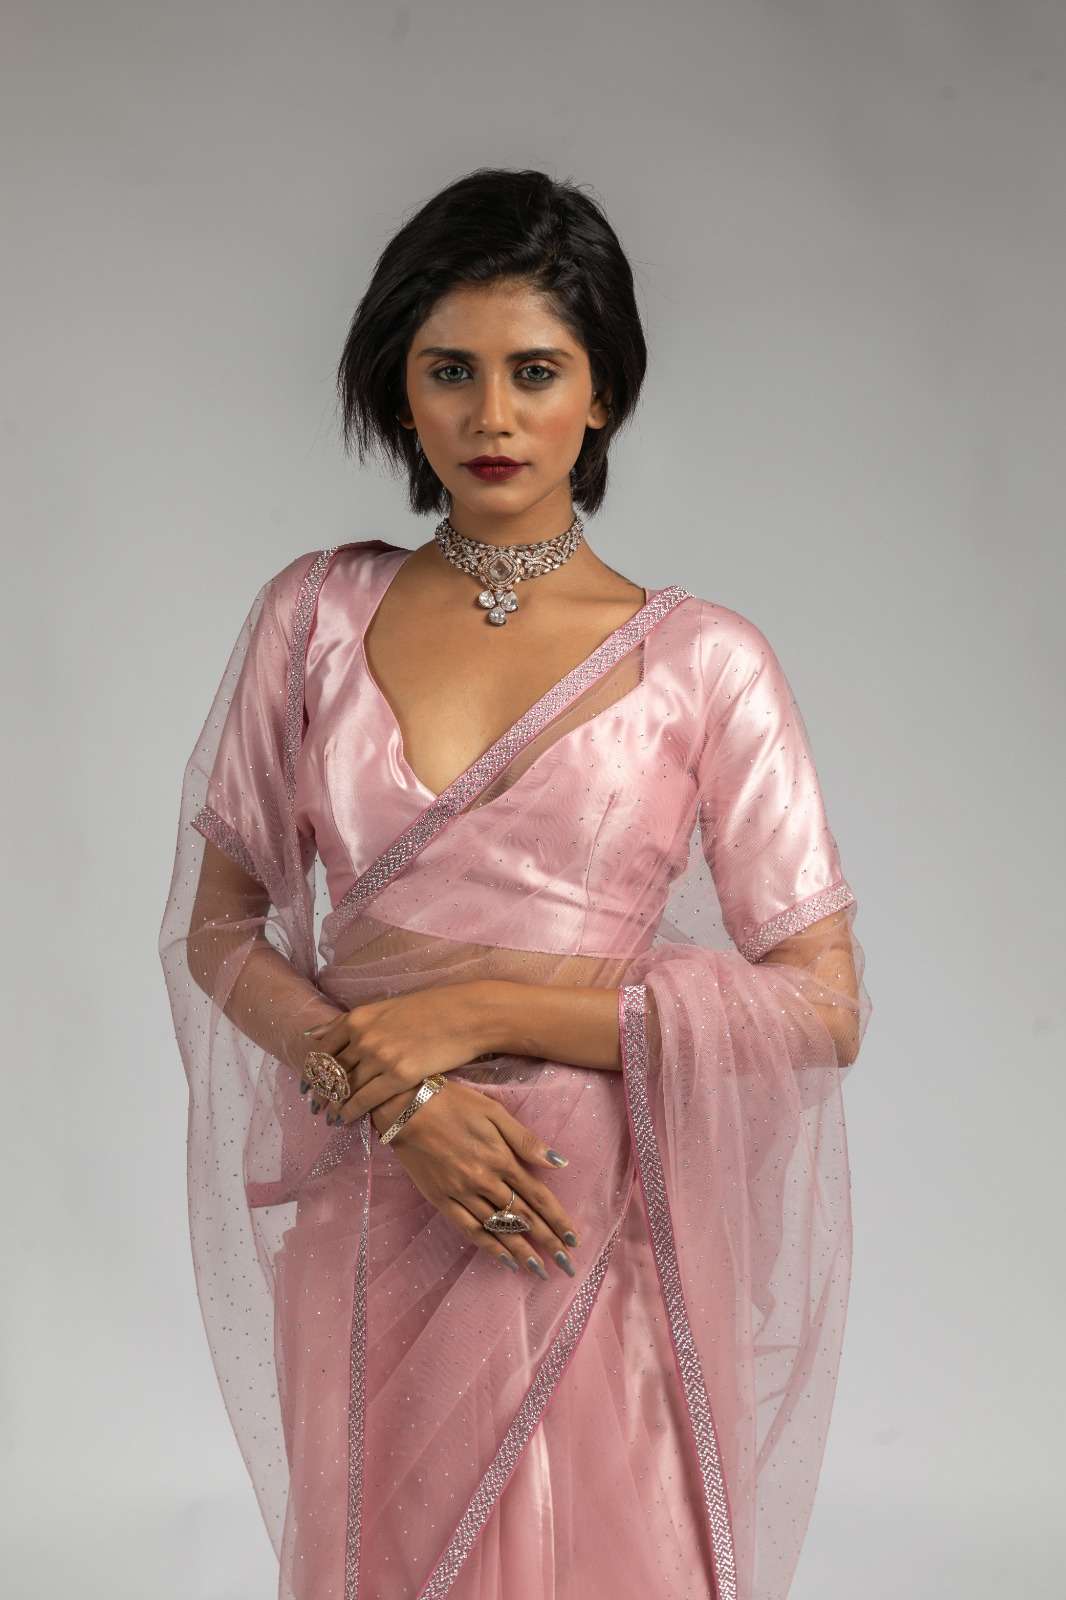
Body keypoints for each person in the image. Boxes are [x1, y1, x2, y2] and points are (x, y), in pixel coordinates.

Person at [159, 167, 871, 1600]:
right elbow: (222, 929)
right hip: (377, 1207)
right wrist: (403, 1097)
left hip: (581, 1221)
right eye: (451, 371)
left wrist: (485, 1008)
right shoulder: (313, 618)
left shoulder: (704, 665)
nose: (492, 416)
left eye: (535, 371)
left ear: (601, 392)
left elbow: (819, 1008)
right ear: (399, 389)